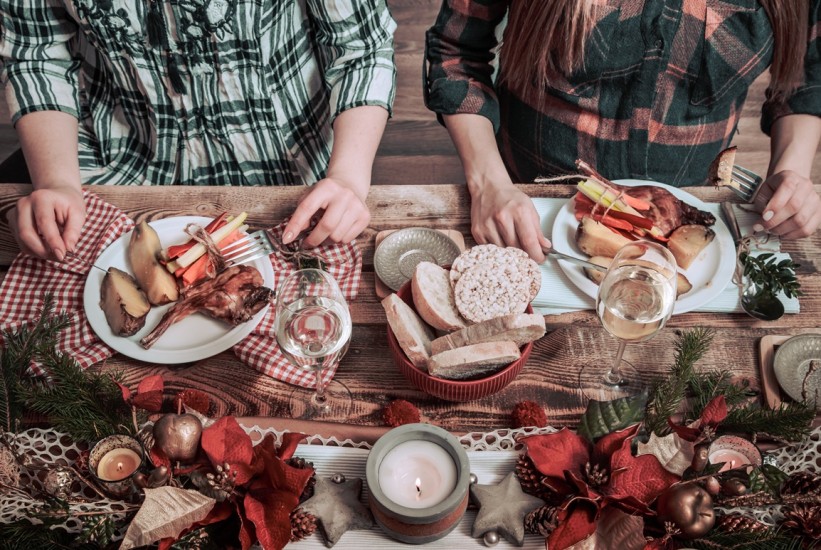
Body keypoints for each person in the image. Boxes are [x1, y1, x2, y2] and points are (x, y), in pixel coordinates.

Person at [425, 1, 821, 262]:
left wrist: (794, 173)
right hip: (532, 208)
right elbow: (456, 53)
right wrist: (487, 182)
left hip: (690, 226)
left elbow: (807, 76)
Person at [0, 0, 397, 261]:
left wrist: (347, 177)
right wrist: (57, 180)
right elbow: (36, 55)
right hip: (119, 166)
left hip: (293, 176)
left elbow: (361, 46)